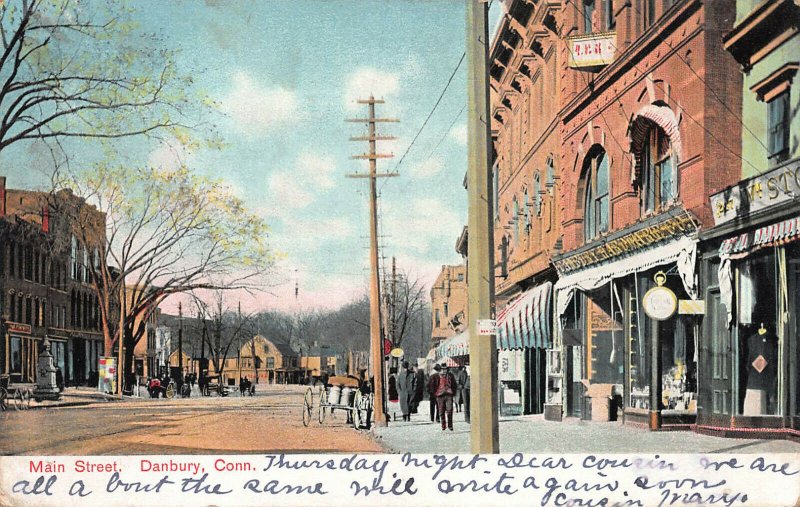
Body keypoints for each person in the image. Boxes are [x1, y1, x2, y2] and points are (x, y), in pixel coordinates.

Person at [435, 363, 457, 431]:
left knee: (449, 410)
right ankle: (443, 425)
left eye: (445, 369)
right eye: (443, 369)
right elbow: (432, 385)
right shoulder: (437, 376)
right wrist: (435, 393)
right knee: (441, 411)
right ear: (440, 369)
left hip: (449, 394)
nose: (444, 370)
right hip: (440, 395)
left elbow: (454, 385)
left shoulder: (450, 376)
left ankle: (450, 425)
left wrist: (454, 393)